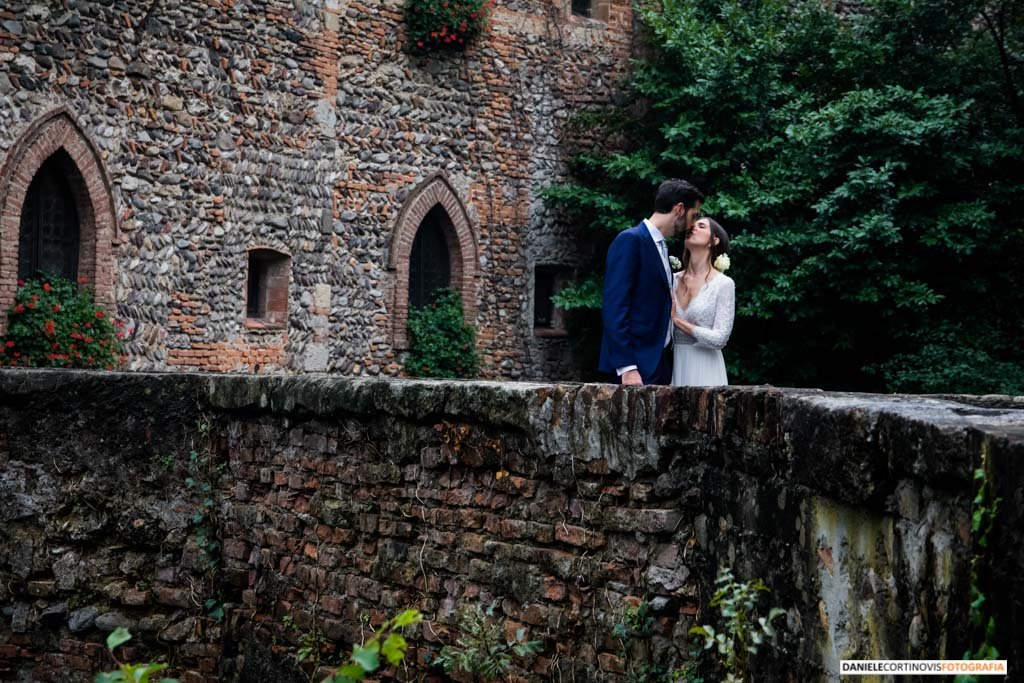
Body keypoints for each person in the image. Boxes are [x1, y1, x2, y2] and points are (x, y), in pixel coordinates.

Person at [599, 179, 704, 385]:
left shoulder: (662, 247)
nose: (692, 224)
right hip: (636, 365)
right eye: (694, 216)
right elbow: (615, 307)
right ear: (679, 209)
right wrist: (627, 367)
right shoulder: (631, 240)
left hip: (659, 362)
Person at [671, 217, 734, 386]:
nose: (693, 227)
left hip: (705, 365)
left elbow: (720, 338)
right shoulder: (672, 279)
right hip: (670, 363)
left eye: (701, 226)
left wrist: (678, 321)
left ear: (714, 241)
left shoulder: (723, 284)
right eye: (692, 225)